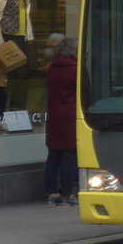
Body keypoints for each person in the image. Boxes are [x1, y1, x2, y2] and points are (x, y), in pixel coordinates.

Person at [44, 37, 79, 206]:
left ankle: (52, 193)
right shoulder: (76, 69)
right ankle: (67, 195)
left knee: (53, 155)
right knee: (69, 156)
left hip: (54, 116)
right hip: (71, 117)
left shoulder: (52, 68)